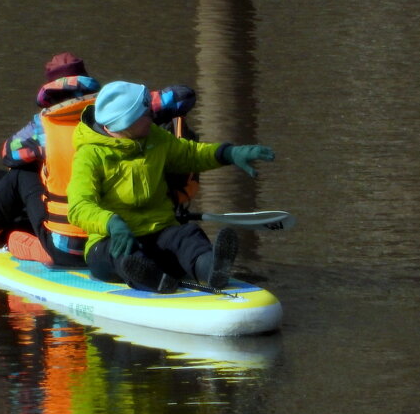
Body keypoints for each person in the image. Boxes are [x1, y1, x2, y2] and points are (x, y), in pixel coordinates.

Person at [0, 54, 198, 267]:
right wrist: (149, 103)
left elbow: (8, 154)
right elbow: (183, 96)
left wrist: (45, 156)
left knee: (20, 174)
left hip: (68, 242)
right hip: (130, 226)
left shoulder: (43, 126)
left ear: (49, 95)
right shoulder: (123, 113)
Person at [67, 80, 276, 293]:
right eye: (145, 114)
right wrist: (110, 222)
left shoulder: (154, 137)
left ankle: (210, 268)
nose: (152, 116)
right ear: (125, 122)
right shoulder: (89, 155)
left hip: (159, 233)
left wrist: (228, 153)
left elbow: (190, 154)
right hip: (113, 240)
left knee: (187, 236)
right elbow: (78, 206)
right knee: (122, 254)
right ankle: (150, 279)